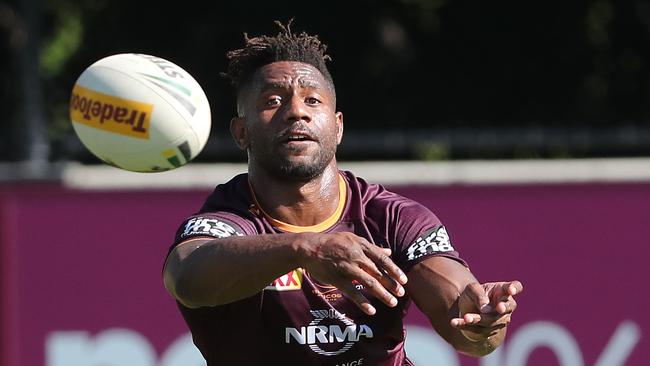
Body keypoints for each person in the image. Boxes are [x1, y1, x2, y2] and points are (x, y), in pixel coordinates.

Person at [163, 20, 523, 366]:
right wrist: (305, 248)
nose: (296, 112)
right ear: (241, 132)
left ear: (337, 127)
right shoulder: (230, 219)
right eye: (273, 100)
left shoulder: (392, 219)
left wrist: (483, 323)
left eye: (313, 100)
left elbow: (470, 329)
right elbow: (187, 277)